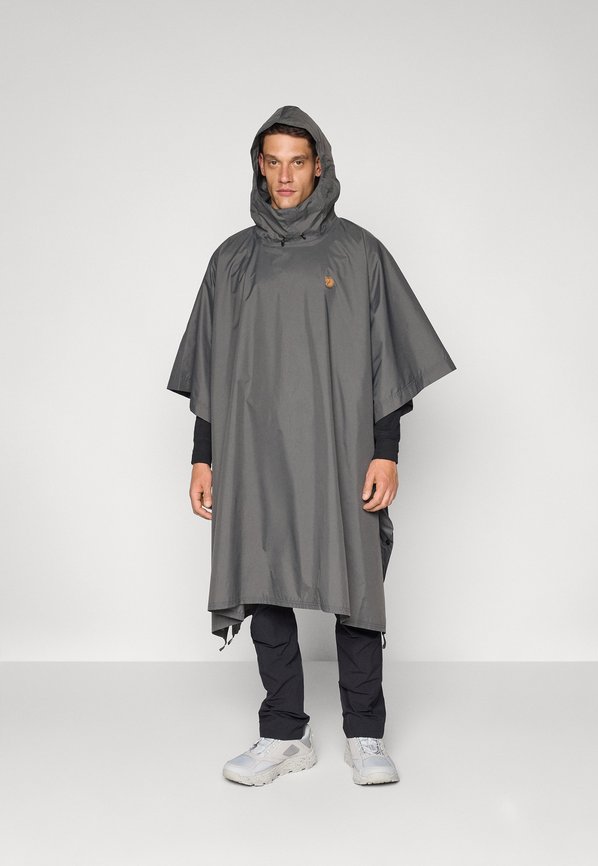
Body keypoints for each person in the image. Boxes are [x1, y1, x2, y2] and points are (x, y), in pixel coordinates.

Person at [166, 106, 457, 786]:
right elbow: (211, 366)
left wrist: (386, 449)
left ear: (319, 165)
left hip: (340, 448)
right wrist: (203, 456)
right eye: (272, 162)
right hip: (253, 451)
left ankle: (365, 732)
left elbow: (388, 357)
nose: (285, 175)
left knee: (355, 579)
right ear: (258, 167)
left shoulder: (358, 252)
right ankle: (283, 733)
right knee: (260, 574)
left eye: (297, 161)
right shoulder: (232, 260)